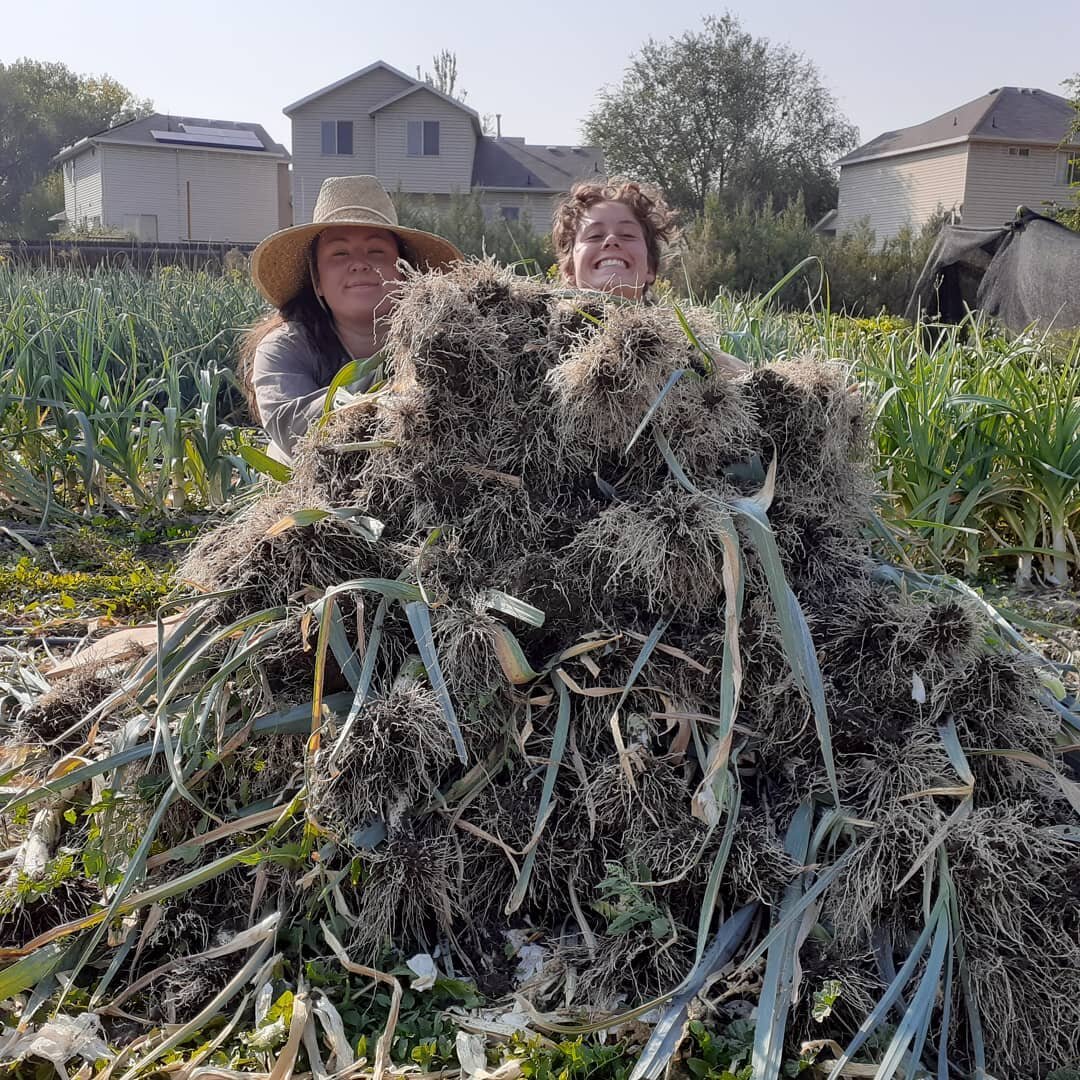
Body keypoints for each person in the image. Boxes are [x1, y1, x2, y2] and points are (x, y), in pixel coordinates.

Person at [241, 175, 462, 462]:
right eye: (340, 253)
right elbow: (292, 430)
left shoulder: (443, 339)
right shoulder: (285, 347)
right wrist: (393, 385)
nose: (359, 264)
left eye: (376, 251)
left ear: (404, 272)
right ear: (317, 281)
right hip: (317, 491)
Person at [551, 179, 746, 374]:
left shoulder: (699, 357)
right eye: (594, 236)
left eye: (627, 235)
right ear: (569, 271)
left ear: (650, 269)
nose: (611, 240)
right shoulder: (540, 342)